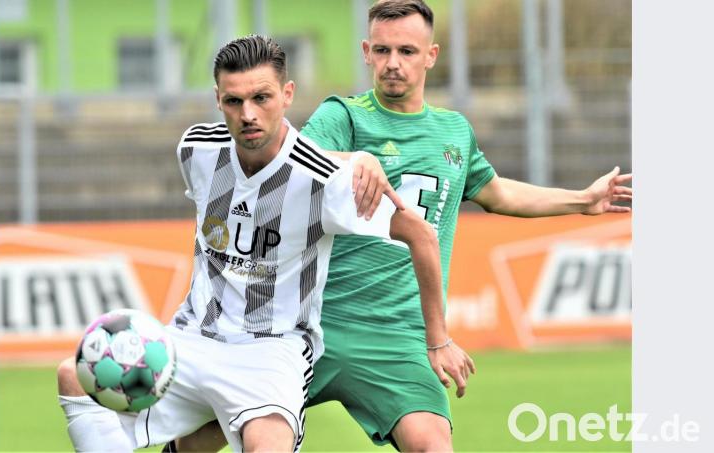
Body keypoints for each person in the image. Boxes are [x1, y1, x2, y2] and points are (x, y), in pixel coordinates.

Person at [175, 0, 633, 451]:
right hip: (313, 325)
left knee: (433, 446)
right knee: (204, 441)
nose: (393, 63)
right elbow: (286, 161)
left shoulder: (454, 132)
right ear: (366, 52)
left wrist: (581, 200)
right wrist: (355, 158)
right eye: (382, 50)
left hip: (398, 336)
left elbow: (498, 193)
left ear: (430, 56)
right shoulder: (344, 116)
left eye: (407, 51)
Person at [55, 34, 463, 453]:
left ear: (287, 95)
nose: (248, 114)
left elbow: (419, 233)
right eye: (233, 101)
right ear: (217, 99)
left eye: (261, 98)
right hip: (193, 340)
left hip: (271, 353)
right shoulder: (196, 149)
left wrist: (437, 338)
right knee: (75, 375)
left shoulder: (325, 182)